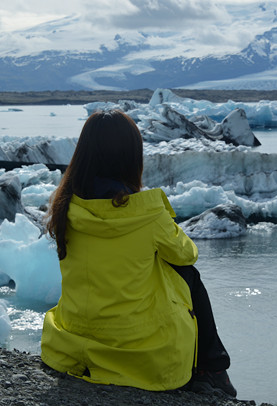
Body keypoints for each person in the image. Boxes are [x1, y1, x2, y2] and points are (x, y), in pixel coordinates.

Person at [41, 108, 236, 397]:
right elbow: (187, 254)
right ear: (130, 157)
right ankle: (213, 368)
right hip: (139, 355)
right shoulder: (145, 213)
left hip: (72, 345)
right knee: (187, 274)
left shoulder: (64, 206)